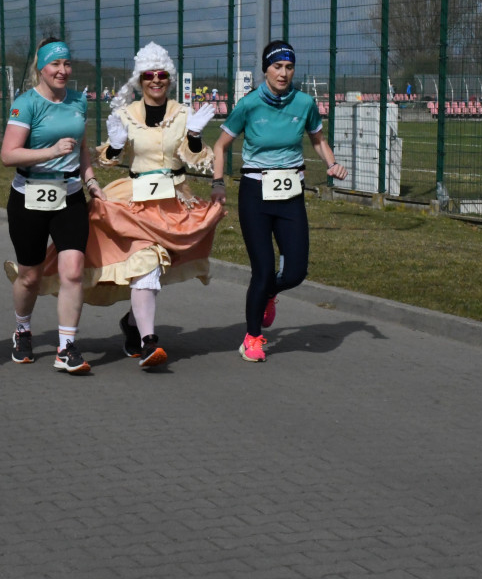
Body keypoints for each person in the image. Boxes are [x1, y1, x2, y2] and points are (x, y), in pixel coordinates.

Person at [85, 42, 224, 367]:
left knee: (157, 269)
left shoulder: (183, 113)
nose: (156, 80)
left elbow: (196, 157)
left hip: (174, 200)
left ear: (169, 77)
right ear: (140, 79)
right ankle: (149, 342)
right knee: (146, 263)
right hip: (135, 200)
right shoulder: (126, 114)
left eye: (162, 74)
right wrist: (115, 146)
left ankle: (132, 325)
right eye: (149, 75)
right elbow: (105, 159)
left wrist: (192, 136)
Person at [210, 40, 348, 362]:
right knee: (263, 268)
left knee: (296, 271)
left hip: (290, 194)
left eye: (289, 67)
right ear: (265, 69)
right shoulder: (248, 105)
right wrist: (218, 183)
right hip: (255, 193)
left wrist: (331, 163)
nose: (283, 73)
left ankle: (270, 294)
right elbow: (220, 146)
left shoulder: (304, 103)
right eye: (277, 67)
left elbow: (318, 139)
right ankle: (253, 337)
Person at [1, 38, 104, 375]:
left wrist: (91, 181)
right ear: (40, 68)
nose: (62, 71)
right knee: (30, 277)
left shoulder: (78, 101)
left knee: (72, 271)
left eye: (67, 64)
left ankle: (66, 347)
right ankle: (22, 329)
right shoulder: (27, 103)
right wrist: (51, 152)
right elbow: (8, 154)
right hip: (29, 196)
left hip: (70, 195)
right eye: (55, 65)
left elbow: (82, 148)